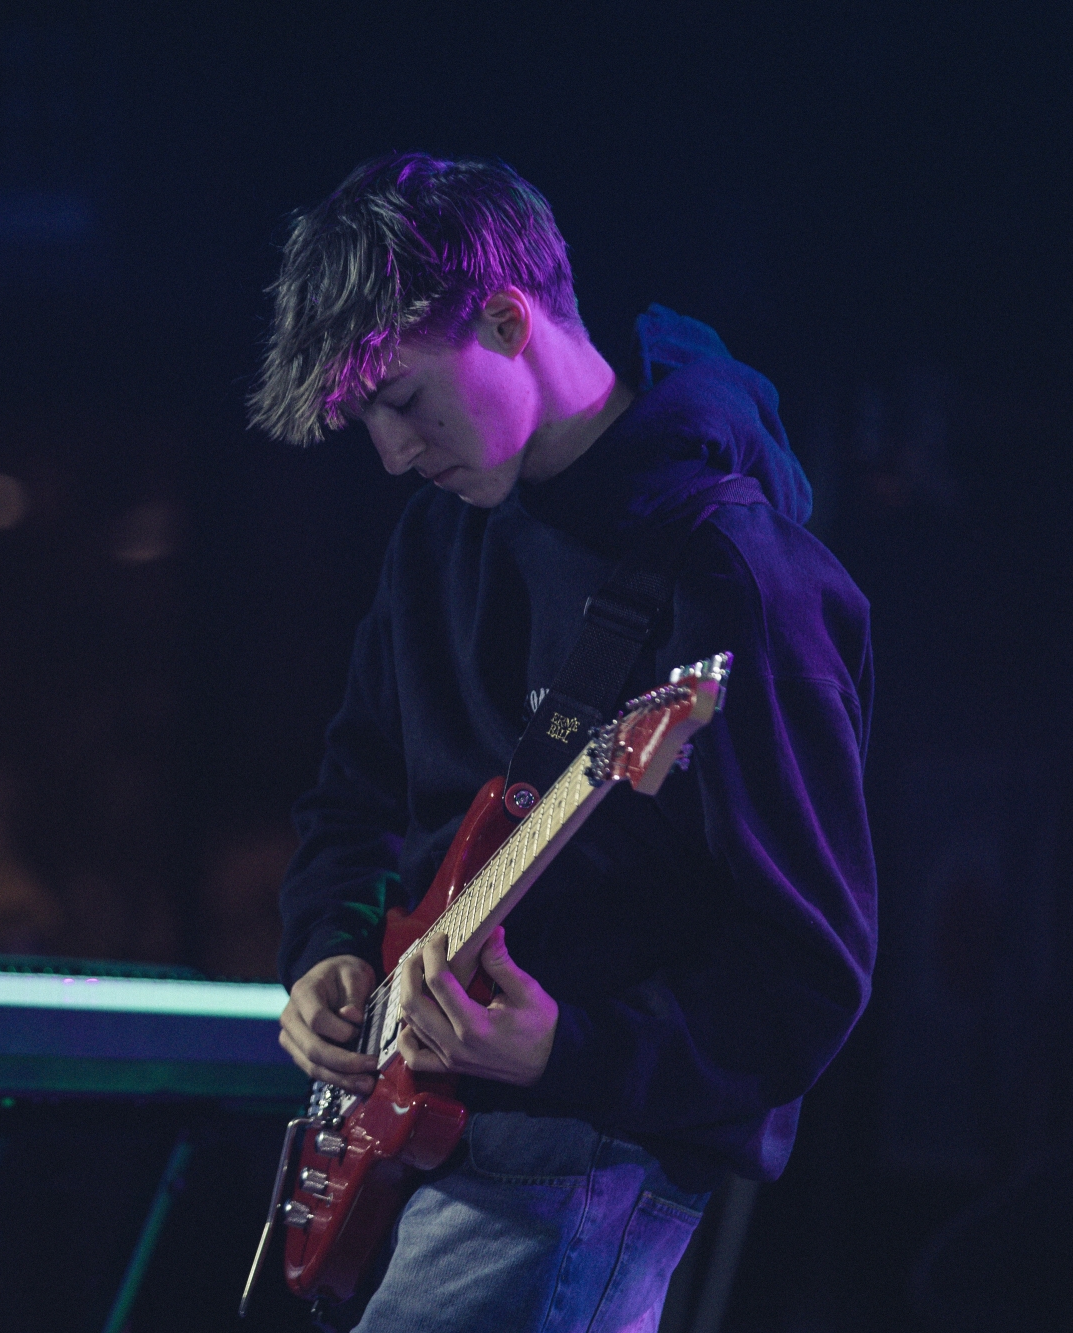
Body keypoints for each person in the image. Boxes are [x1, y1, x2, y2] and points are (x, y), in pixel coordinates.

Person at [250, 154, 875, 1331]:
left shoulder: (733, 575)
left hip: (577, 1150)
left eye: (401, 401)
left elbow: (808, 972)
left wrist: (571, 1049)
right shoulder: (436, 539)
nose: (389, 454)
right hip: (414, 1133)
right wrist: (325, 950)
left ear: (504, 316)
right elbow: (351, 799)